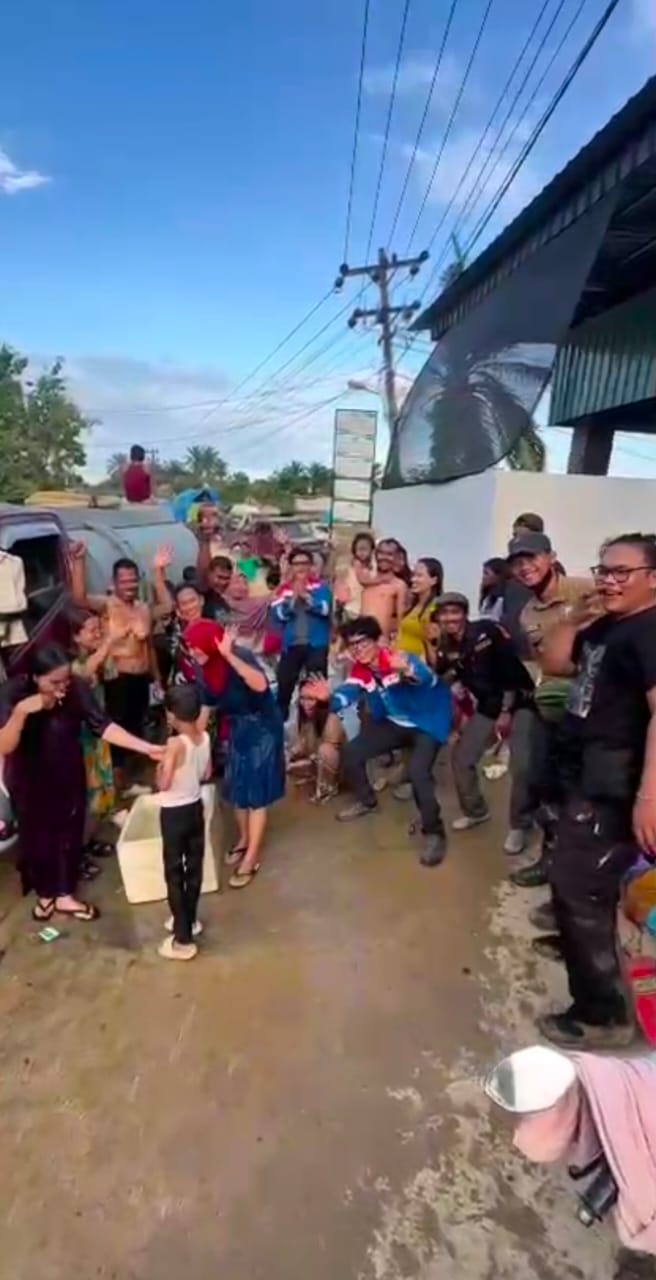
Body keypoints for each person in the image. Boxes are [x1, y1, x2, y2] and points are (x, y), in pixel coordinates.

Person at [534, 532, 656, 1049]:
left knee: (578, 887)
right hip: (582, 771)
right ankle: (581, 946)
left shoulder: (650, 631)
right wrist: (577, 614)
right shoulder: (610, 625)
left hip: (615, 782)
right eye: (602, 570)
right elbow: (555, 663)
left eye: (620, 572)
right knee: (580, 884)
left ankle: (601, 1014)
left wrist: (650, 797)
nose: (607, 580)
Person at [0, 645, 162, 922]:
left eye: (65, 680)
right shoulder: (12, 693)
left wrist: (147, 748)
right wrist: (23, 712)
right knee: (37, 841)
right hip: (28, 781)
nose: (62, 686)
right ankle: (45, 895)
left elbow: (103, 726)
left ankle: (65, 896)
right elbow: (5, 744)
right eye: (54, 682)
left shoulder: (75, 687)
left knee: (68, 835)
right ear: (35, 677)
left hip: (67, 772)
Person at [308, 616, 452, 867]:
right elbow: (346, 695)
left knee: (419, 775)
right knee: (352, 752)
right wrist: (326, 699)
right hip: (394, 723)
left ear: (378, 641)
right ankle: (367, 800)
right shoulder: (361, 671)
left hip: (426, 724)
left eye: (363, 642)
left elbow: (424, 677)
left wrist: (407, 670)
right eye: (352, 645)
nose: (358, 649)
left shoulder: (398, 659)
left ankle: (434, 832)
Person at [505, 530, 597, 873]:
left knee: (585, 788)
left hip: (599, 703)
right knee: (539, 775)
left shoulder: (584, 589)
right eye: (518, 562)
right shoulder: (528, 614)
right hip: (558, 703)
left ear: (551, 556)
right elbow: (546, 662)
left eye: (532, 558)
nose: (525, 567)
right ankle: (550, 856)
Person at [184, 620, 285, 889]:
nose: (192, 653)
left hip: (263, 726)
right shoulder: (203, 667)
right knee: (238, 789)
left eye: (196, 648)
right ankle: (244, 840)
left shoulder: (239, 655)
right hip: (239, 725)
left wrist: (228, 655)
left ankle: (251, 858)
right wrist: (194, 750)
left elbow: (260, 685)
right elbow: (206, 707)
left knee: (257, 795)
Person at [432, 593, 534, 834]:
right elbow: (444, 681)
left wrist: (506, 712)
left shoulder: (487, 631)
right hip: (489, 706)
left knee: (520, 767)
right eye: (444, 614)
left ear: (465, 614)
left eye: (455, 612)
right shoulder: (445, 647)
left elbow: (510, 672)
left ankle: (519, 826)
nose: (450, 618)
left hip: (520, 701)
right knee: (462, 759)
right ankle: (476, 811)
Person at [70, 543, 154, 792]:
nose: (129, 585)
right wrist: (79, 562)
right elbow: (79, 598)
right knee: (117, 730)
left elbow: (147, 644)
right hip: (118, 678)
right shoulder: (107, 605)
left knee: (137, 725)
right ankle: (118, 787)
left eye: (133, 581)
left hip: (141, 677)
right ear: (115, 582)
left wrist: (155, 676)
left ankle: (131, 781)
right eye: (124, 581)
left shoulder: (142, 609)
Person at [157, 684, 211, 962]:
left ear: (171, 715)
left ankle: (182, 938)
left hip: (174, 813)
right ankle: (189, 919)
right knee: (194, 868)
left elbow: (164, 783)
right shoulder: (204, 737)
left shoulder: (175, 744)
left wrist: (161, 766)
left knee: (174, 872)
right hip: (194, 806)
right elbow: (206, 772)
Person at [69, 608, 121, 864]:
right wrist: (107, 645)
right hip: (80, 740)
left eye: (98, 628)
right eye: (92, 630)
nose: (98, 633)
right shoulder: (68, 663)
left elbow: (110, 675)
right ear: (76, 637)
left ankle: (89, 842)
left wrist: (105, 650)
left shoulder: (95, 655)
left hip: (99, 735)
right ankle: (77, 853)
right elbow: (81, 676)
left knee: (100, 791)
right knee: (85, 794)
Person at [270, 547, 332, 719]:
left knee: (316, 690)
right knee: (284, 689)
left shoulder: (321, 587)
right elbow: (277, 616)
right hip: (291, 647)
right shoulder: (283, 590)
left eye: (304, 563)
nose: (301, 567)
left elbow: (326, 609)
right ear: (291, 566)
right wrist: (292, 602)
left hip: (316, 646)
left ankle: (316, 730)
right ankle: (280, 729)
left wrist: (308, 598)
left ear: (311, 565)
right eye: (296, 564)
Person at [360, 540, 409, 640]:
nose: (384, 557)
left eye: (389, 554)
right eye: (381, 553)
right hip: (360, 641)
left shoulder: (399, 585)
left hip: (382, 644)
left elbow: (401, 621)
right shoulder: (368, 582)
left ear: (396, 558)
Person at [397, 558, 444, 658]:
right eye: (413, 575)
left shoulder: (435, 607)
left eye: (419, 576)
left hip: (418, 667)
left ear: (434, 580)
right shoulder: (413, 606)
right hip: (401, 664)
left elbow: (436, 644)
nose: (413, 579)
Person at [334, 531, 376, 621]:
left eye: (365, 549)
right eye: (359, 549)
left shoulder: (374, 568)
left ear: (372, 550)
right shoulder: (350, 567)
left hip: (367, 612)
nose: (361, 552)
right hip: (350, 610)